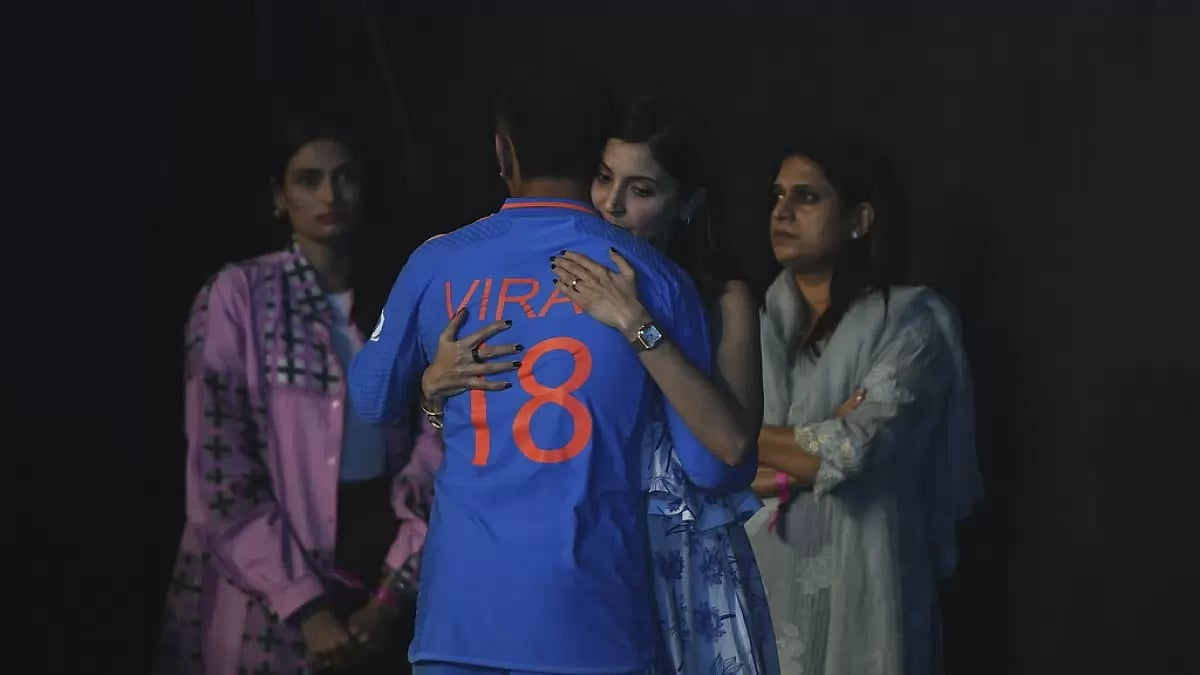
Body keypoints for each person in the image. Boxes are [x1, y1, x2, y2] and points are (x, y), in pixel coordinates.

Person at [348, 69, 756, 675]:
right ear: (597, 157)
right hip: (591, 623)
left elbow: (370, 400)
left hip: (460, 620)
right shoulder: (657, 281)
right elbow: (712, 465)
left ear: (502, 151)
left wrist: (429, 386)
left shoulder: (438, 261)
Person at [155, 112, 442, 675]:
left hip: (378, 559)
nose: (329, 195)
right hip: (267, 577)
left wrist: (390, 595)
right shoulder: (240, 296)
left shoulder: (403, 299)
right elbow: (219, 469)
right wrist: (306, 608)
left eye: (345, 177)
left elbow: (437, 440)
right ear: (280, 196)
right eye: (308, 180)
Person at [545, 95, 779, 675]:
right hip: (589, 556)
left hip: (685, 565)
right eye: (604, 179)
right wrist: (433, 398)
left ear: (689, 203)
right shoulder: (559, 280)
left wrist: (634, 322)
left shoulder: (725, 298)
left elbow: (730, 446)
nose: (612, 205)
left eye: (641, 190)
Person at [743, 138, 984, 675]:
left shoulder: (913, 322)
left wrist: (751, 437)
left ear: (860, 218)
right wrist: (815, 440)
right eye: (777, 196)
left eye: (806, 197)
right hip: (762, 584)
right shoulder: (755, 325)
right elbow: (716, 468)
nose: (781, 211)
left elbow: (855, 451)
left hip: (867, 591)